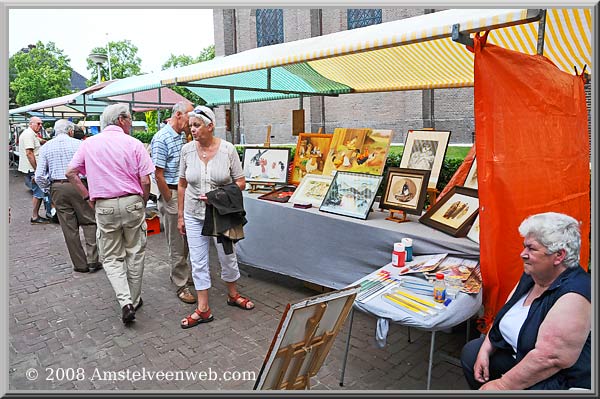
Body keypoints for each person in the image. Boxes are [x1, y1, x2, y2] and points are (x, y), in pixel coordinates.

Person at [460, 212, 590, 390]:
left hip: (556, 380)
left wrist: (502, 386)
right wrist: (486, 349)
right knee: (472, 352)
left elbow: (549, 359)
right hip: (520, 355)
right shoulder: (535, 274)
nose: (523, 254)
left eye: (531, 249)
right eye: (524, 247)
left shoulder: (575, 295)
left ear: (559, 256)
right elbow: (505, 314)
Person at [66, 103, 155, 325]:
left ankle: (125, 302)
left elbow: (71, 173)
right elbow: (145, 180)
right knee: (135, 252)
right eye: (130, 119)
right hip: (132, 202)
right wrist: (142, 201)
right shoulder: (134, 144)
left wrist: (87, 197)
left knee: (111, 257)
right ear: (121, 119)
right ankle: (133, 301)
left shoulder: (89, 145)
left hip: (104, 205)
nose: (132, 123)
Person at [177, 105, 254, 329]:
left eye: (197, 125)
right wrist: (181, 216)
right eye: (191, 125)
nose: (192, 129)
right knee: (198, 261)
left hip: (221, 214)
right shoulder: (187, 151)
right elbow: (182, 184)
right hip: (193, 214)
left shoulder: (228, 150)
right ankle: (203, 309)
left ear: (210, 126)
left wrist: (217, 196)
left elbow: (240, 182)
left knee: (227, 256)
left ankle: (232, 294)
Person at [35, 119, 101, 273]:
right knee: (90, 222)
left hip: (57, 187)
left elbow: (39, 176)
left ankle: (80, 264)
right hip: (79, 185)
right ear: (70, 130)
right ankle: (93, 260)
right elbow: (91, 168)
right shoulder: (80, 144)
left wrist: (49, 189)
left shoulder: (46, 147)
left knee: (69, 227)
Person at [150, 101, 197, 304]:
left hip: (183, 191)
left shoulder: (181, 136)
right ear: (179, 115)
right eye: (190, 116)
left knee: (187, 237)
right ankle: (181, 284)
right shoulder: (162, 138)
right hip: (172, 191)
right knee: (177, 242)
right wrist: (169, 199)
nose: (192, 120)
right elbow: (158, 174)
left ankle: (183, 274)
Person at [18, 116, 53, 224]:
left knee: (40, 192)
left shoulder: (31, 134)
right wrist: (37, 170)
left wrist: (50, 142)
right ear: (31, 124)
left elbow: (40, 141)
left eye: (41, 123)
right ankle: (34, 216)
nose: (40, 125)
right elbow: (29, 153)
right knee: (38, 193)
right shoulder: (29, 135)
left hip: (31, 169)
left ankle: (39, 214)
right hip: (32, 169)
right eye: (38, 123)